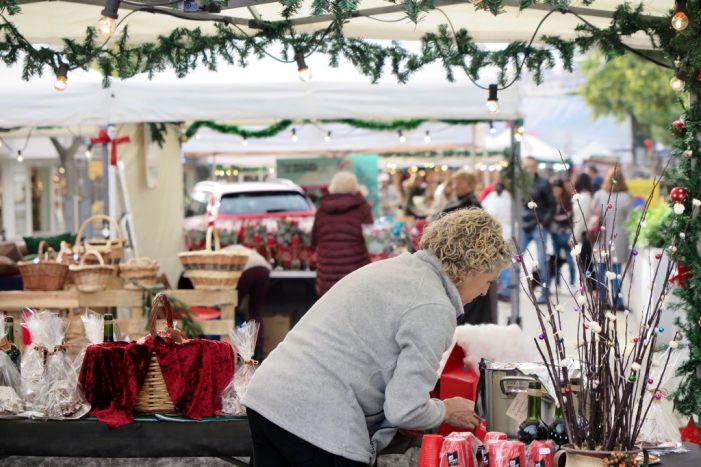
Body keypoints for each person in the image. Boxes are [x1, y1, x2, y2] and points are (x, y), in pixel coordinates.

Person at [243, 208, 512, 467]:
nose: (484, 292)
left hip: (268, 397)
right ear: (471, 268)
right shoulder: (434, 306)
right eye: (489, 280)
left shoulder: (397, 269)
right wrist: (445, 410)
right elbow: (405, 409)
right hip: (317, 419)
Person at [177, 244, 271, 360]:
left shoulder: (218, 257)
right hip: (264, 268)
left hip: (245, 269)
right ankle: (258, 353)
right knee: (255, 311)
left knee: (229, 308)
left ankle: (229, 349)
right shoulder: (232, 249)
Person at [312, 171, 373, 297]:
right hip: (355, 274)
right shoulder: (363, 207)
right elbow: (371, 240)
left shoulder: (322, 209)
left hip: (327, 274)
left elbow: (314, 239)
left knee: (329, 311)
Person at [591, 167, 632, 310]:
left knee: (601, 268)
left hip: (601, 235)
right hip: (619, 236)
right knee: (616, 270)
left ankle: (602, 300)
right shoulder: (626, 197)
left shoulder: (599, 195)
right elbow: (630, 220)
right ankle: (618, 302)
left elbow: (593, 214)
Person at [520, 156, 556, 304]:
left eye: (531, 166)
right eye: (526, 166)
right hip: (524, 225)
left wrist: (544, 222)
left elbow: (552, 204)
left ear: (535, 167)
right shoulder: (521, 183)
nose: (529, 169)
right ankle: (509, 290)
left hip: (538, 225)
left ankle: (545, 291)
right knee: (516, 257)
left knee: (542, 260)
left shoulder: (543, 183)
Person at [482, 181, 513, 301]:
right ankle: (504, 289)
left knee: (501, 262)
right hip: (504, 232)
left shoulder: (495, 198)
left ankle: (503, 289)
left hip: (500, 232)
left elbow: (487, 212)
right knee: (504, 262)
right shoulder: (506, 198)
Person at [550, 178, 576, 287]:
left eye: (557, 189)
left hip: (565, 233)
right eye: (554, 189)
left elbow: (568, 215)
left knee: (569, 258)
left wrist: (553, 218)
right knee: (556, 258)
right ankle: (557, 282)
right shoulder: (551, 200)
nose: (556, 191)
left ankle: (572, 281)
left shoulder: (567, 200)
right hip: (554, 233)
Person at [571, 173, 594, 283]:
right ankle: (591, 284)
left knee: (585, 260)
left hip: (585, 233)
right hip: (585, 232)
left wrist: (574, 237)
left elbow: (581, 219)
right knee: (586, 260)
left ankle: (591, 284)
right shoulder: (586, 196)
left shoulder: (584, 198)